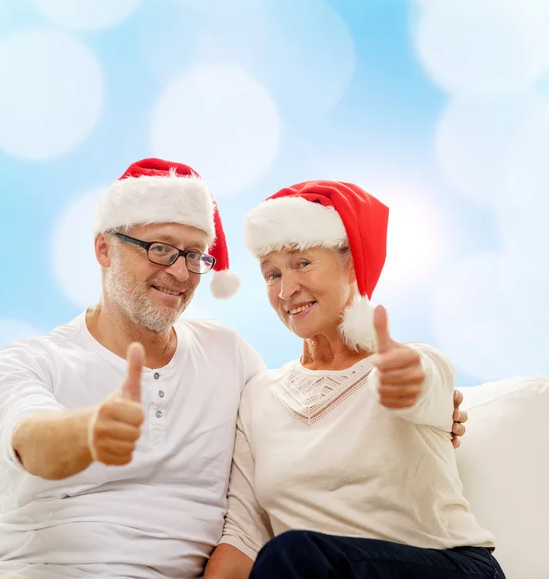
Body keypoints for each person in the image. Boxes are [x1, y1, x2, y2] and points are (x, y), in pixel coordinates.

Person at [0, 160, 467, 579]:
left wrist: (428, 397)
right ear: (104, 248)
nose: (181, 272)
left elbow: (419, 384)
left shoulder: (228, 357)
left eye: (193, 255)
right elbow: (29, 438)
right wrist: (88, 433)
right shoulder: (29, 361)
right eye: (160, 248)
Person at [205, 180, 505, 579]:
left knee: (295, 554)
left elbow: (423, 385)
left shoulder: (412, 361)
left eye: (303, 263)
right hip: (309, 569)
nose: (286, 289)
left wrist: (404, 378)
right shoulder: (259, 396)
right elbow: (243, 535)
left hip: (446, 567)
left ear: (351, 263)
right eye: (272, 274)